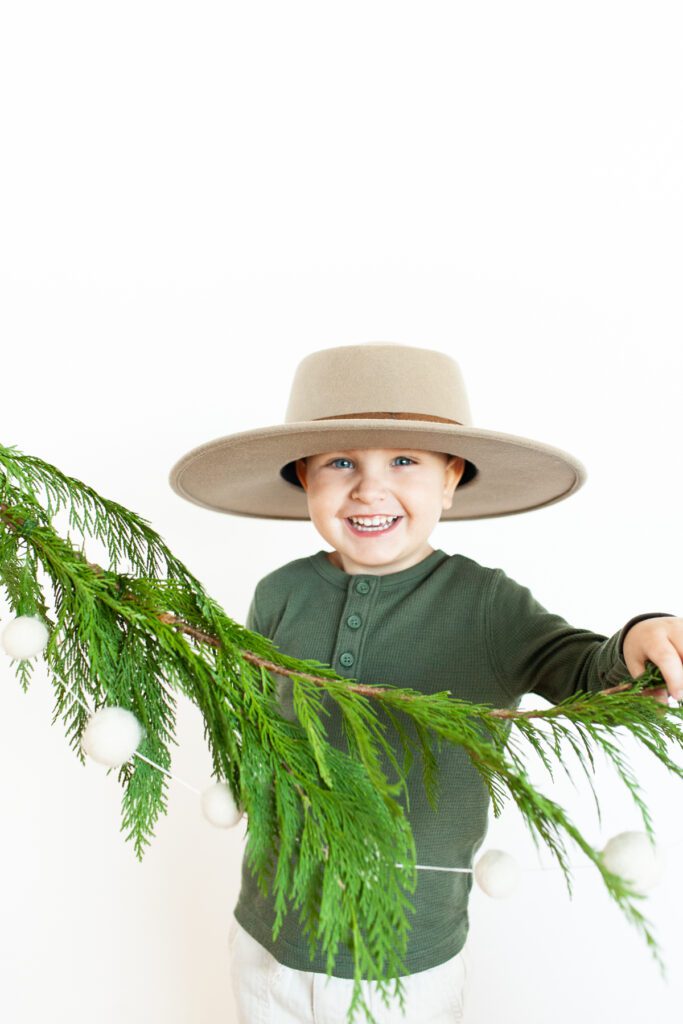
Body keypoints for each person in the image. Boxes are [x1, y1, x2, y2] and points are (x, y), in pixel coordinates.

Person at [168, 341, 682, 1024]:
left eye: (403, 462)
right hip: (267, 937)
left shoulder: (488, 606)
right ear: (303, 479)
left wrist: (640, 637)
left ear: (450, 478)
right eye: (340, 462)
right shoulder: (279, 595)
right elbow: (256, 726)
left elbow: (584, 673)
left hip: (405, 960)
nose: (369, 489)